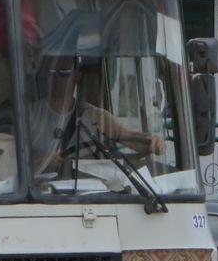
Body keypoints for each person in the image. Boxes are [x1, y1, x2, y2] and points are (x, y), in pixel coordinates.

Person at [29, 55, 165, 178]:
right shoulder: (31, 115)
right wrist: (46, 159)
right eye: (52, 73)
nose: (57, 78)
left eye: (64, 73)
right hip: (41, 192)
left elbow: (129, 137)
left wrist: (153, 142)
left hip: (85, 192)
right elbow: (14, 159)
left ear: (77, 77)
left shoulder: (95, 116)